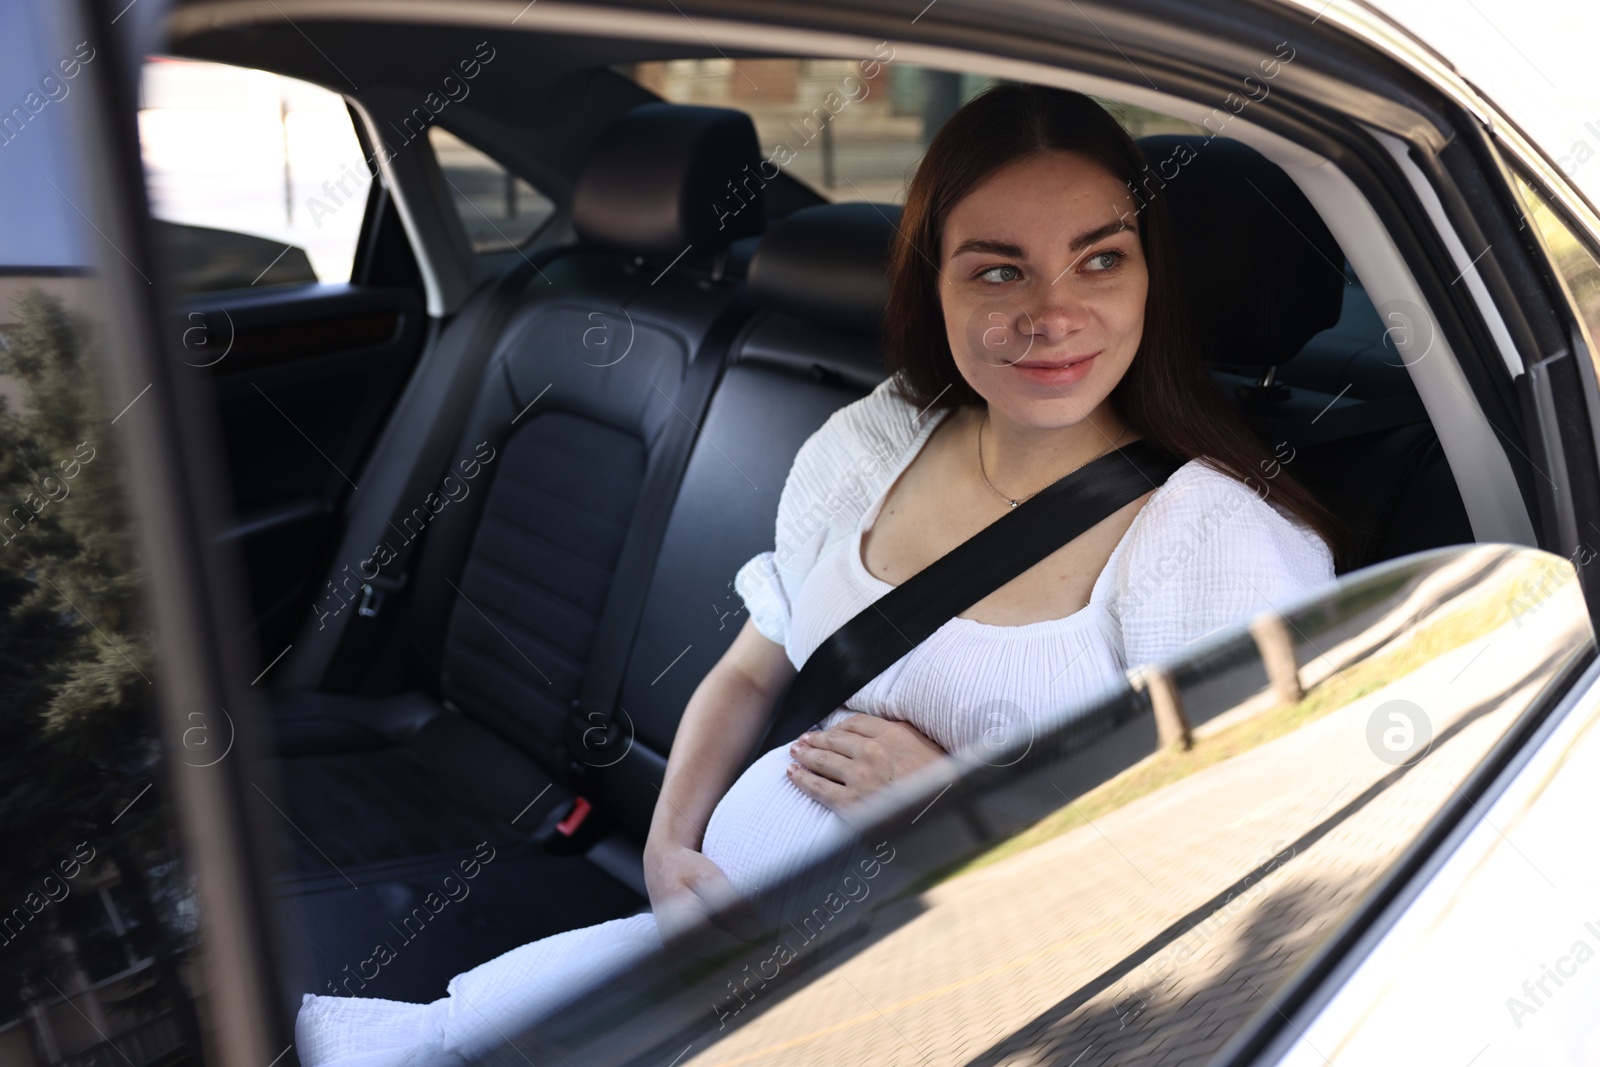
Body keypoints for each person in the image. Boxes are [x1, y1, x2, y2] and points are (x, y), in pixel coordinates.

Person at [294, 82, 1345, 1066]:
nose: (1051, 312)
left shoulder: (1214, 544)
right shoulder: (873, 441)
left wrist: (950, 806)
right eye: (996, 267)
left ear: (1151, 274)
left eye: (1098, 260)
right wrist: (668, 849)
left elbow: (1218, 889)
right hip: (714, 956)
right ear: (930, 280)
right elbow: (754, 670)